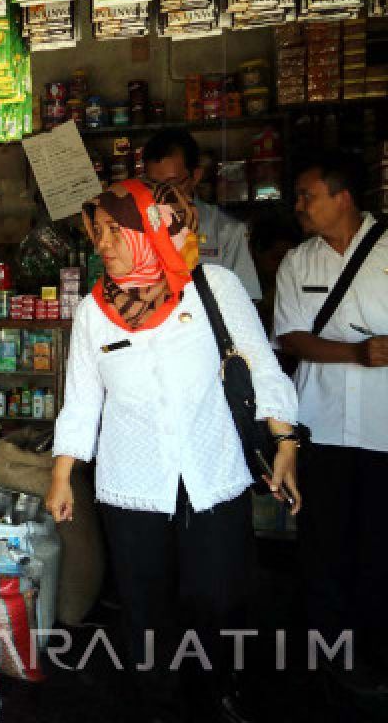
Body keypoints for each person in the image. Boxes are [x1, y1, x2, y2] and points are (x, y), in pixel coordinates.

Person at [45, 178, 300, 723]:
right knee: (144, 609)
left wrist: (284, 441)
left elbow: (260, 364)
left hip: (211, 473)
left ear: (149, 229)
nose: (104, 243)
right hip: (133, 485)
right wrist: (63, 474)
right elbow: (84, 401)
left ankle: (219, 690)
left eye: (117, 230)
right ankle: (157, 703)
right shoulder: (94, 312)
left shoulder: (214, 287)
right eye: (100, 232)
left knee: (219, 598)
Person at [274, 154, 388, 694]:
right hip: (320, 427)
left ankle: (373, 649)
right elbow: (292, 337)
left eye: (306, 195)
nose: (298, 206)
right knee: (322, 545)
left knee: (377, 544)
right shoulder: (298, 263)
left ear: (342, 197)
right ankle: (329, 656)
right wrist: (357, 353)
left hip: (384, 429)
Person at [144, 127, 263, 300]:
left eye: (173, 184)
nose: (163, 196)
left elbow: (246, 302)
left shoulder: (227, 232)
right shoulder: (135, 229)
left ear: (196, 176)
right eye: (154, 186)